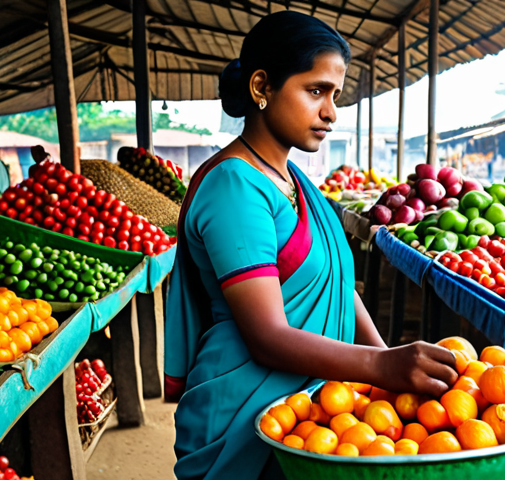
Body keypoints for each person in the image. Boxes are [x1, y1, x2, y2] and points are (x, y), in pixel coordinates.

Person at [165, 12, 458, 480]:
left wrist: (391, 371)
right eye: (315, 90)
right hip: (246, 415)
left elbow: (340, 288)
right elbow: (267, 337)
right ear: (261, 87)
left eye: (335, 95)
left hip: (311, 408)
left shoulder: (294, 182)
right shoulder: (234, 188)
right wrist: (381, 365)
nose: (330, 112)